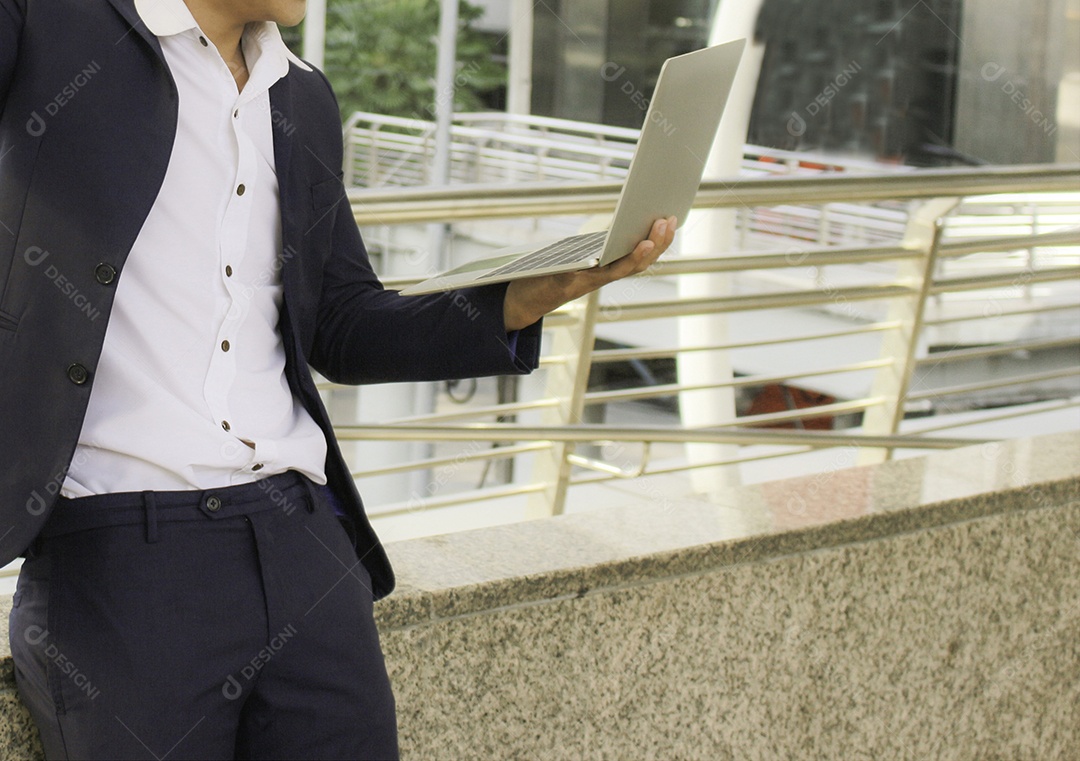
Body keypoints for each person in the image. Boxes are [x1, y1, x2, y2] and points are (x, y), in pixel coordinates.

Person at [0, 0, 675, 758]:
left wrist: (529, 296)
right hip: (121, 557)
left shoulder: (301, 97)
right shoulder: (52, 25)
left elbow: (343, 324)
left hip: (305, 546)